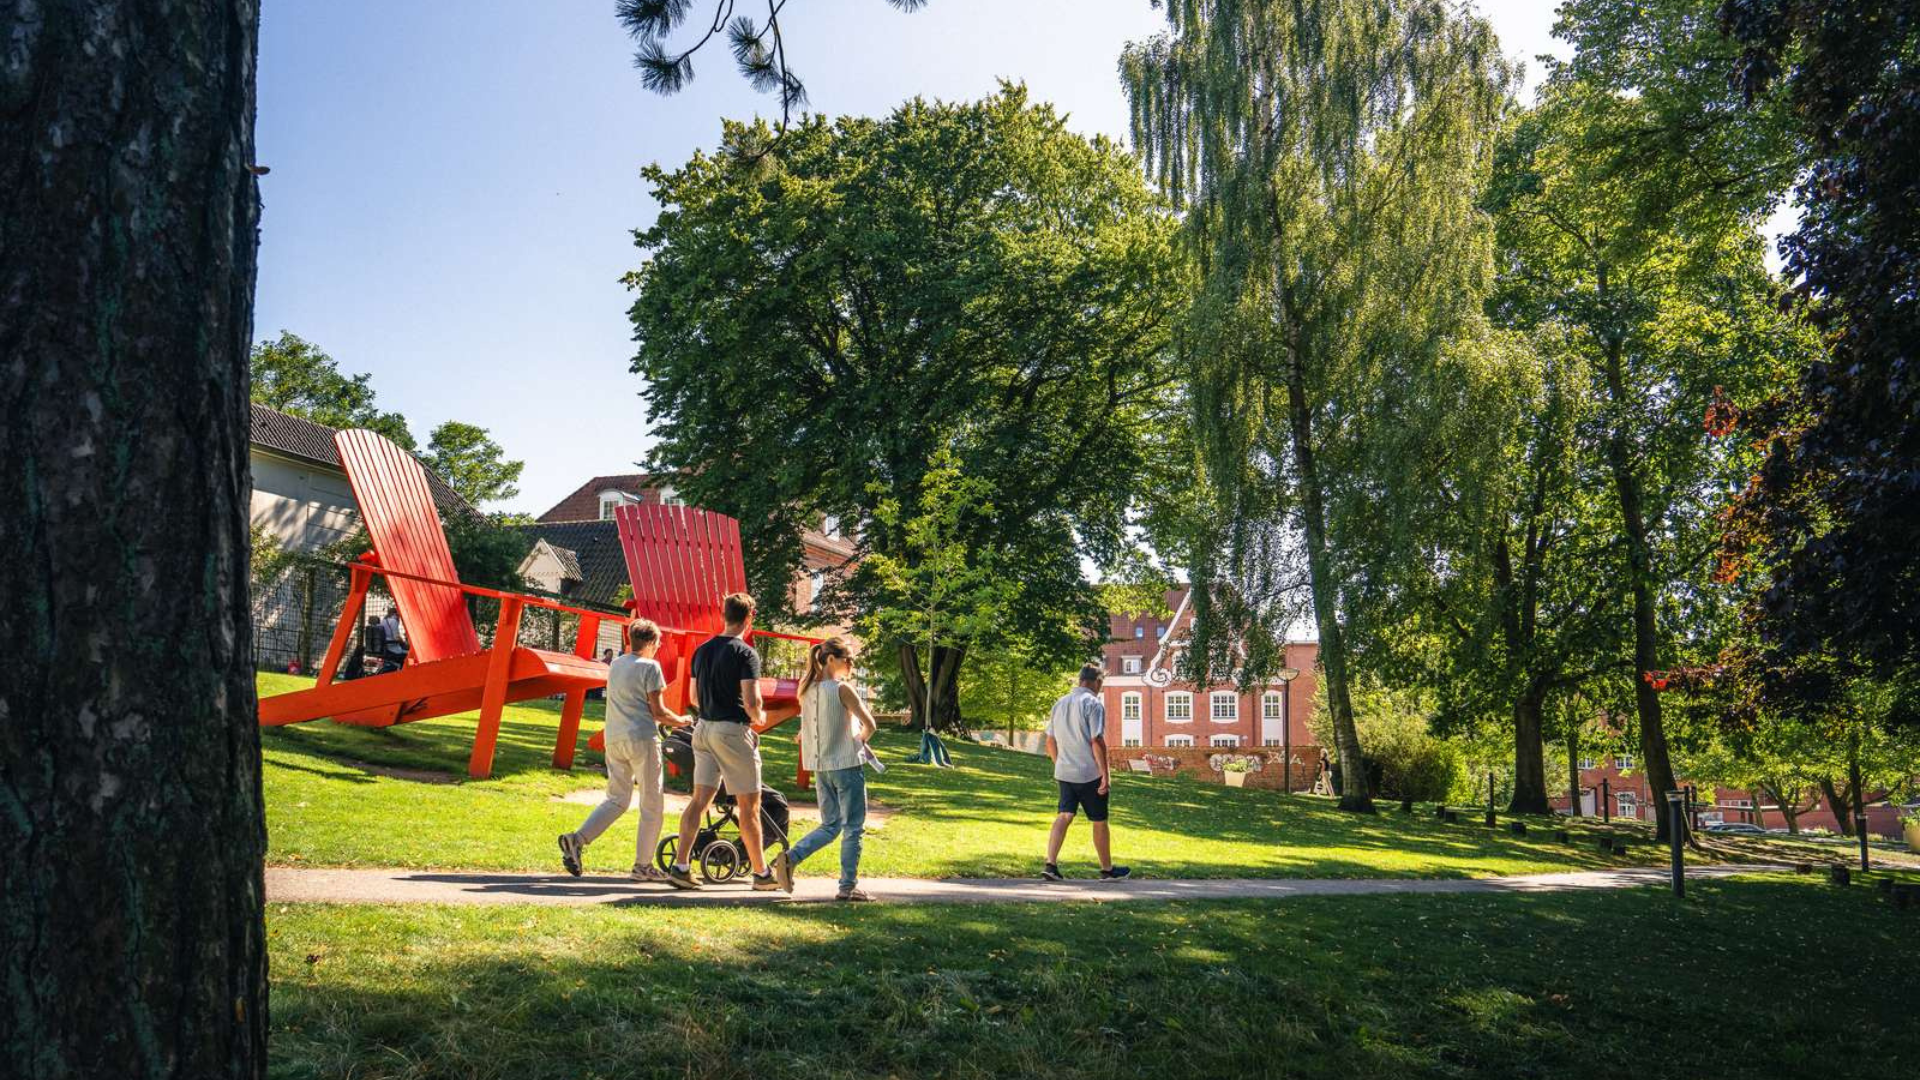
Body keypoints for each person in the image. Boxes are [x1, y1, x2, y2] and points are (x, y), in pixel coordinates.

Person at [665, 592, 787, 892]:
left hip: (703, 729)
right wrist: (758, 717)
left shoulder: (702, 650)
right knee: (750, 806)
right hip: (732, 731)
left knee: (699, 801)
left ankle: (681, 867)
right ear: (750, 617)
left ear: (725, 615)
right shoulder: (746, 654)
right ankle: (761, 874)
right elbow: (752, 701)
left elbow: (693, 697)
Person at [558, 619, 686, 881]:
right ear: (651, 642)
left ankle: (577, 839)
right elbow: (658, 711)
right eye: (657, 643)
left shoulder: (616, 664)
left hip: (615, 738)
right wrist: (682, 720)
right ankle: (643, 865)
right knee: (652, 804)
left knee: (616, 799)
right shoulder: (651, 667)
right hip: (642, 738)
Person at [787, 636, 879, 901]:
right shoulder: (842, 689)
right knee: (853, 827)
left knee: (830, 825)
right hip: (846, 764)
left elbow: (807, 730)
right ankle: (847, 887)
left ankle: (791, 858)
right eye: (848, 659)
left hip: (821, 768)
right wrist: (859, 741)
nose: (851, 664)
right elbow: (870, 725)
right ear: (830, 659)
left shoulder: (806, 690)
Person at [1042, 664, 1129, 881]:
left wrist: (1059, 763)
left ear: (1080, 679)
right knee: (1099, 820)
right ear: (1097, 682)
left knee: (1064, 815)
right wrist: (1105, 775)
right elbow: (1096, 740)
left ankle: (1050, 865)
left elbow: (1050, 741)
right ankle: (1107, 869)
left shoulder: (1060, 703)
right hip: (1089, 773)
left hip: (1065, 772)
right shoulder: (1093, 703)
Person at [377, 607, 407, 673]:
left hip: (385, 648)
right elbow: (396, 637)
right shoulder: (393, 621)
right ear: (395, 614)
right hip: (393, 648)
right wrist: (404, 642)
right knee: (408, 653)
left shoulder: (383, 621)